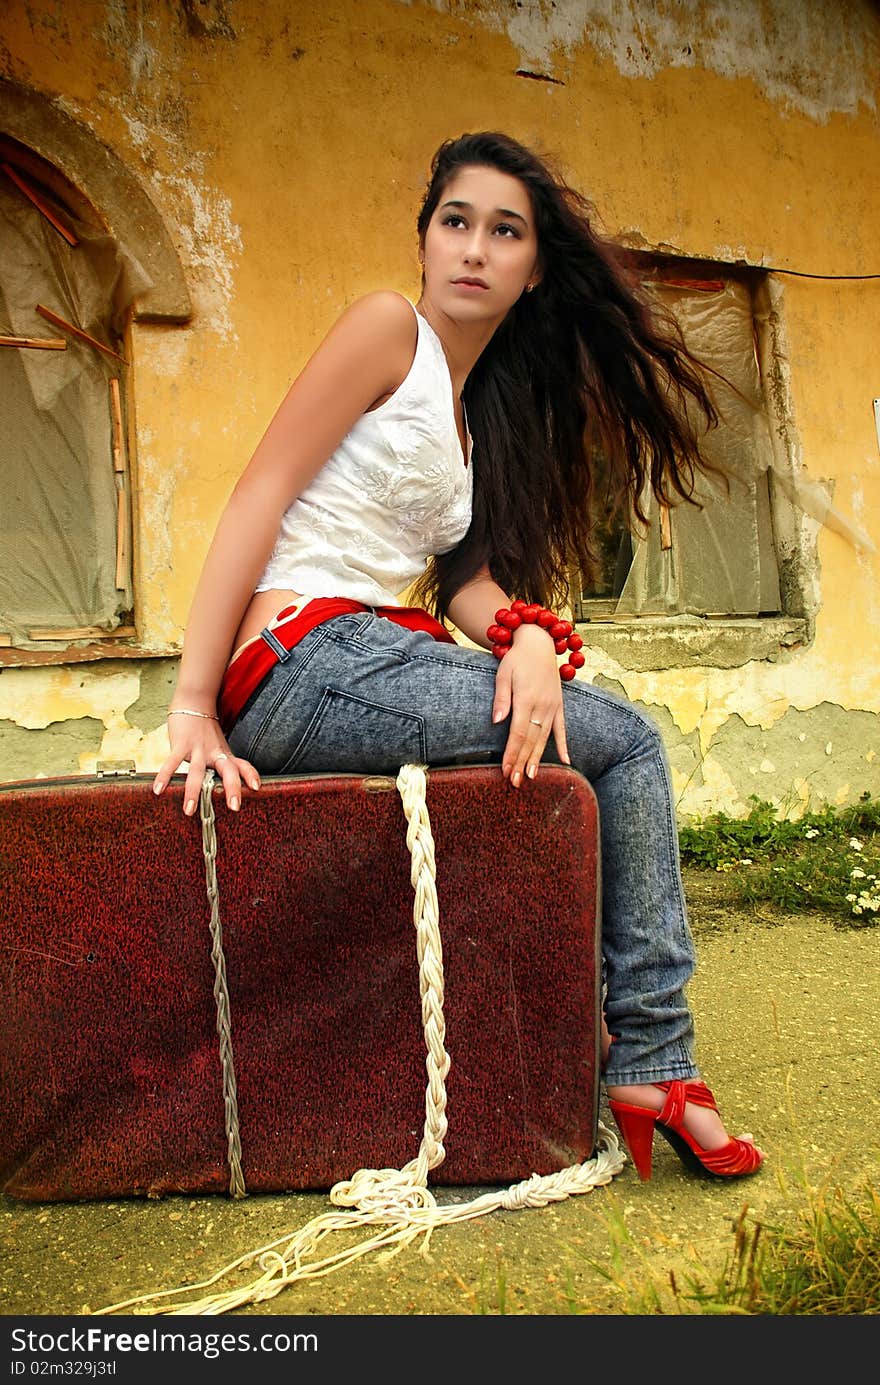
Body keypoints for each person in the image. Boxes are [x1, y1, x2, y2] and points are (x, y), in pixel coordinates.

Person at [153, 131, 764, 1183]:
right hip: (301, 653)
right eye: (456, 221)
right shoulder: (385, 328)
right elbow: (259, 491)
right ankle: (655, 1058)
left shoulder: (473, 420)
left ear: (532, 269)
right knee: (626, 743)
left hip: (362, 657)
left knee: (582, 746)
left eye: (505, 231)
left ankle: (602, 1046)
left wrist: (525, 632)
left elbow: (464, 588)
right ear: (426, 239)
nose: (474, 248)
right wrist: (192, 703)